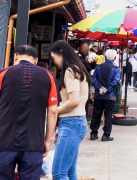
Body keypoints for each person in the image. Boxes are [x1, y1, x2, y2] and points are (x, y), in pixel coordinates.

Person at [0, 45, 58, 179]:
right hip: (33, 143)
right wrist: (47, 140)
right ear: (35, 60)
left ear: (15, 56)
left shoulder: (3, 73)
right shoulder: (48, 76)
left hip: (4, 142)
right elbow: (53, 111)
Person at [51, 40, 92, 180]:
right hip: (76, 122)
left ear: (61, 54)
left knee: (59, 173)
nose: (55, 62)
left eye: (54, 58)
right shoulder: (78, 69)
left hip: (71, 123)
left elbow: (74, 101)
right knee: (69, 172)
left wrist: (55, 111)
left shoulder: (70, 71)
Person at [90, 49, 121, 142]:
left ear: (105, 57)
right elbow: (116, 81)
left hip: (99, 95)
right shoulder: (116, 69)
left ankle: (93, 133)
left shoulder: (98, 67)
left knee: (96, 113)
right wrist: (107, 89)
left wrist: (100, 88)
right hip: (110, 96)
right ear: (114, 58)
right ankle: (106, 135)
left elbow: (93, 78)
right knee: (108, 115)